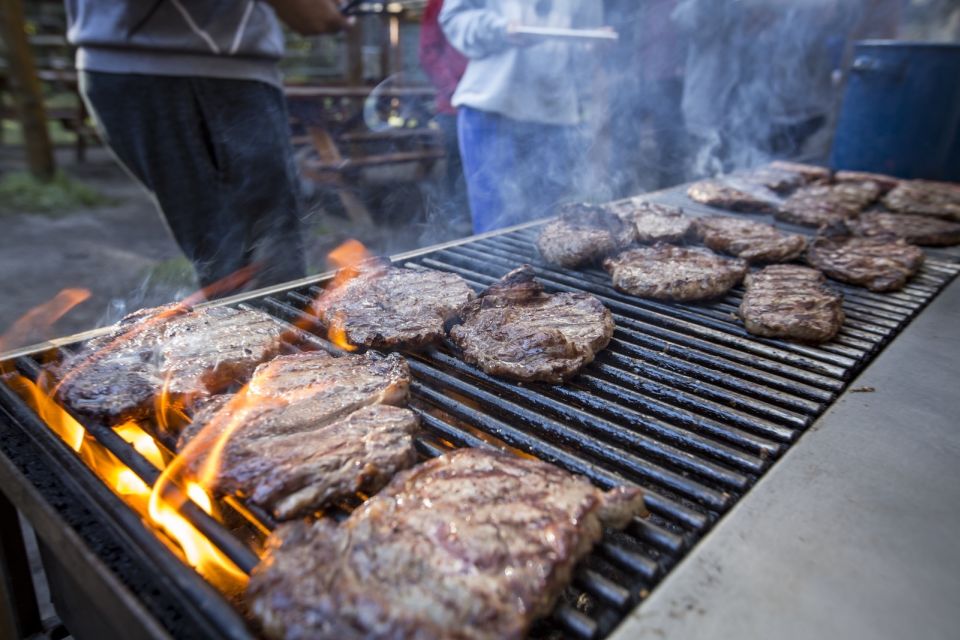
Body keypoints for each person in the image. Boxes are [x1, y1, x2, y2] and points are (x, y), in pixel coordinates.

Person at [64, 0, 348, 295]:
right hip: (198, 69)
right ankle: (268, 338)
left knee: (232, 254)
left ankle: (267, 332)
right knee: (260, 267)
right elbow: (311, 15)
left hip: (147, 65)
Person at [440, 0, 603, 234]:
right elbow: (454, 18)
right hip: (492, 108)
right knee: (497, 231)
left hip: (556, 114)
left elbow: (581, 46)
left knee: (546, 230)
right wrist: (499, 29)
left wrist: (590, 46)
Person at [418, 0, 471, 233]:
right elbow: (427, 50)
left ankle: (470, 220)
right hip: (453, 105)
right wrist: (452, 88)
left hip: (490, 102)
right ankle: (457, 221)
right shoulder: (440, 3)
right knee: (457, 161)